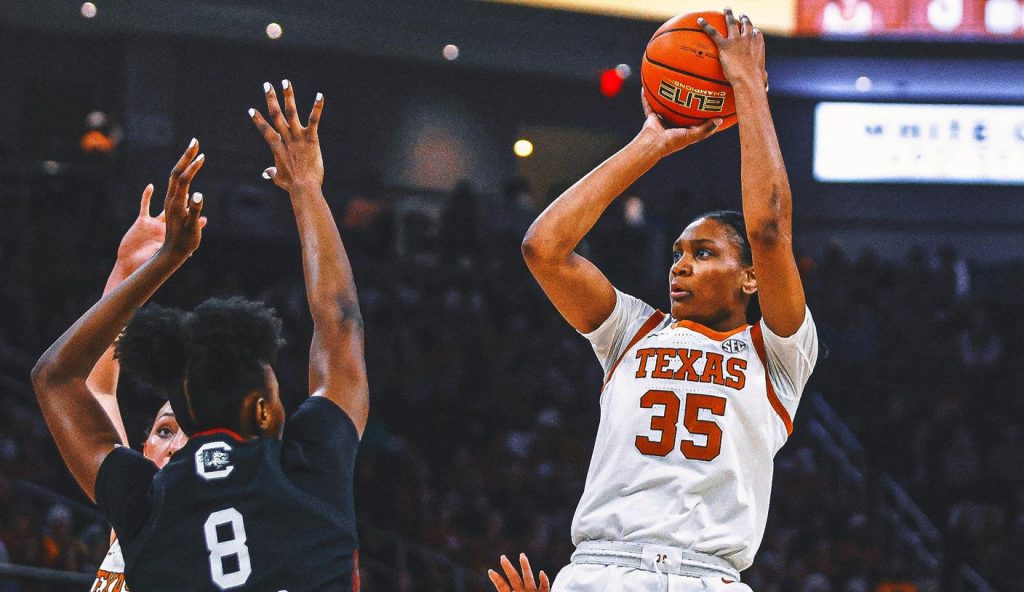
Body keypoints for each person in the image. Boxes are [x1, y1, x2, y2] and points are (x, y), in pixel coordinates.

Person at [521, 9, 818, 591]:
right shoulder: (632, 330)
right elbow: (543, 249)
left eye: (705, 253)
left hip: (708, 577)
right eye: (678, 252)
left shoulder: (777, 353)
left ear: (751, 278)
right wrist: (649, 145)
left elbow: (769, 230)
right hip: (602, 571)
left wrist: (750, 91)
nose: (680, 264)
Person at [32, 80, 368, 590]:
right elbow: (340, 325)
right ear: (261, 410)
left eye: (175, 431)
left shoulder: (146, 504)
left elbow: (65, 380)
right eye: (164, 432)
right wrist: (307, 191)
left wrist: (158, 264)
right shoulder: (309, 474)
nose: (171, 446)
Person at [86, 183, 191, 592]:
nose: (175, 446)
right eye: (165, 431)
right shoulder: (132, 520)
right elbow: (100, 388)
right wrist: (126, 269)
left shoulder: (209, 546)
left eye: (191, 435)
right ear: (144, 448)